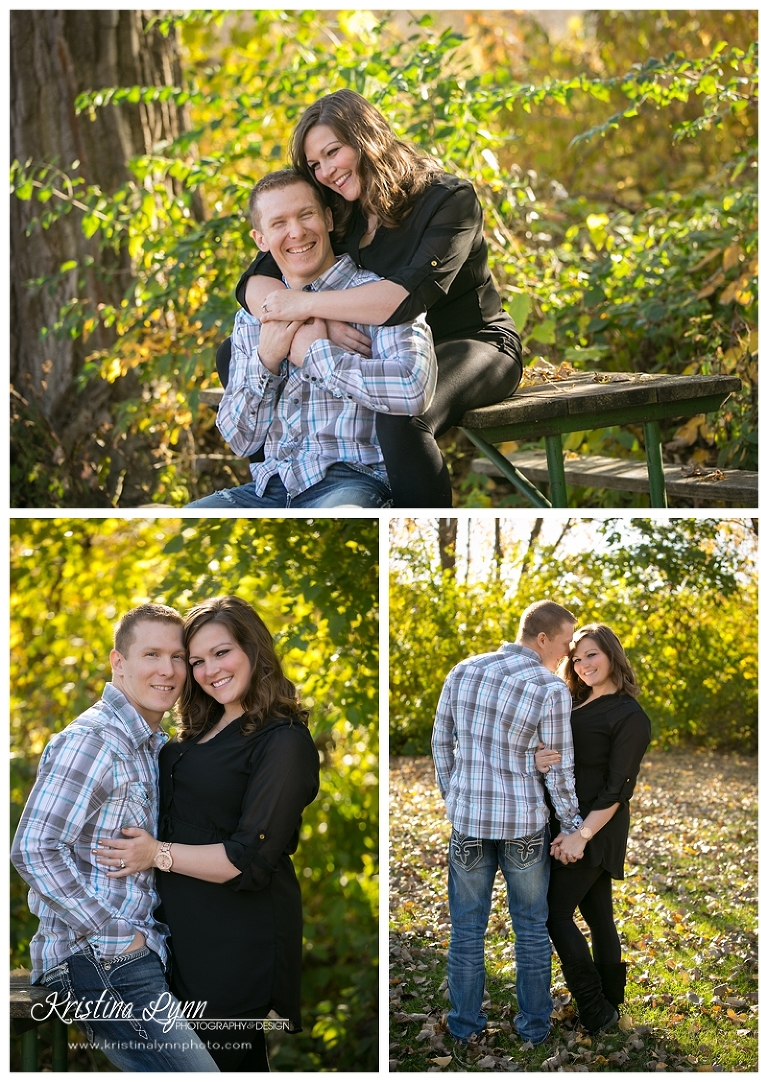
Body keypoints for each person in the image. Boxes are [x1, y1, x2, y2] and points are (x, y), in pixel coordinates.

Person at [231, 88, 523, 508]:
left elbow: (404, 300)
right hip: (384, 344)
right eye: (315, 164)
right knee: (235, 353)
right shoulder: (338, 206)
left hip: (470, 342)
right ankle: (279, 484)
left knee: (403, 418)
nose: (327, 171)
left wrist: (307, 308)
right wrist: (304, 330)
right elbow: (254, 281)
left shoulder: (448, 201)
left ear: (367, 138)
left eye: (333, 153)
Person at [93, 596, 321, 1072]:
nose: (207, 670)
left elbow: (247, 860)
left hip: (235, 938)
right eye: (195, 660)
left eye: (222, 653)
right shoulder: (201, 727)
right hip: (176, 937)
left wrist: (156, 854)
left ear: (253, 649)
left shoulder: (283, 741)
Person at [10, 605, 219, 1072]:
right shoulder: (96, 739)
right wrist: (113, 934)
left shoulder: (147, 743)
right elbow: (33, 847)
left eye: (178, 657)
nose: (167, 670)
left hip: (131, 957)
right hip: (96, 958)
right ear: (118, 663)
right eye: (151, 654)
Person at [188, 169, 436, 508]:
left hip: (351, 484)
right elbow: (240, 441)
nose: (296, 232)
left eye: (306, 215)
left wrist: (316, 355)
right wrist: (267, 360)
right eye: (279, 223)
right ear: (260, 240)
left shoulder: (376, 298)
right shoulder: (256, 314)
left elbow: (413, 389)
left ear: (329, 219)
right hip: (269, 490)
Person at [431, 600, 587, 1048]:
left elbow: (441, 742)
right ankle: (534, 1029)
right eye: (562, 645)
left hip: (469, 822)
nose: (565, 656)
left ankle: (463, 1027)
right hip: (523, 824)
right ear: (542, 639)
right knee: (531, 929)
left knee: (466, 928)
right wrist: (572, 824)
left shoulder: (463, 670)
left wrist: (455, 797)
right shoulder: (548, 688)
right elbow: (559, 767)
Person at [535, 624, 651, 1034]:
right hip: (565, 822)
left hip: (596, 827)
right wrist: (538, 759)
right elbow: (558, 753)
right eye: (577, 657)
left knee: (554, 913)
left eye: (592, 655)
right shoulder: (572, 702)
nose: (583, 665)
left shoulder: (629, 715)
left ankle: (593, 1004)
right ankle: (611, 1004)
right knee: (599, 914)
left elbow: (618, 788)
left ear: (612, 655)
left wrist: (580, 836)